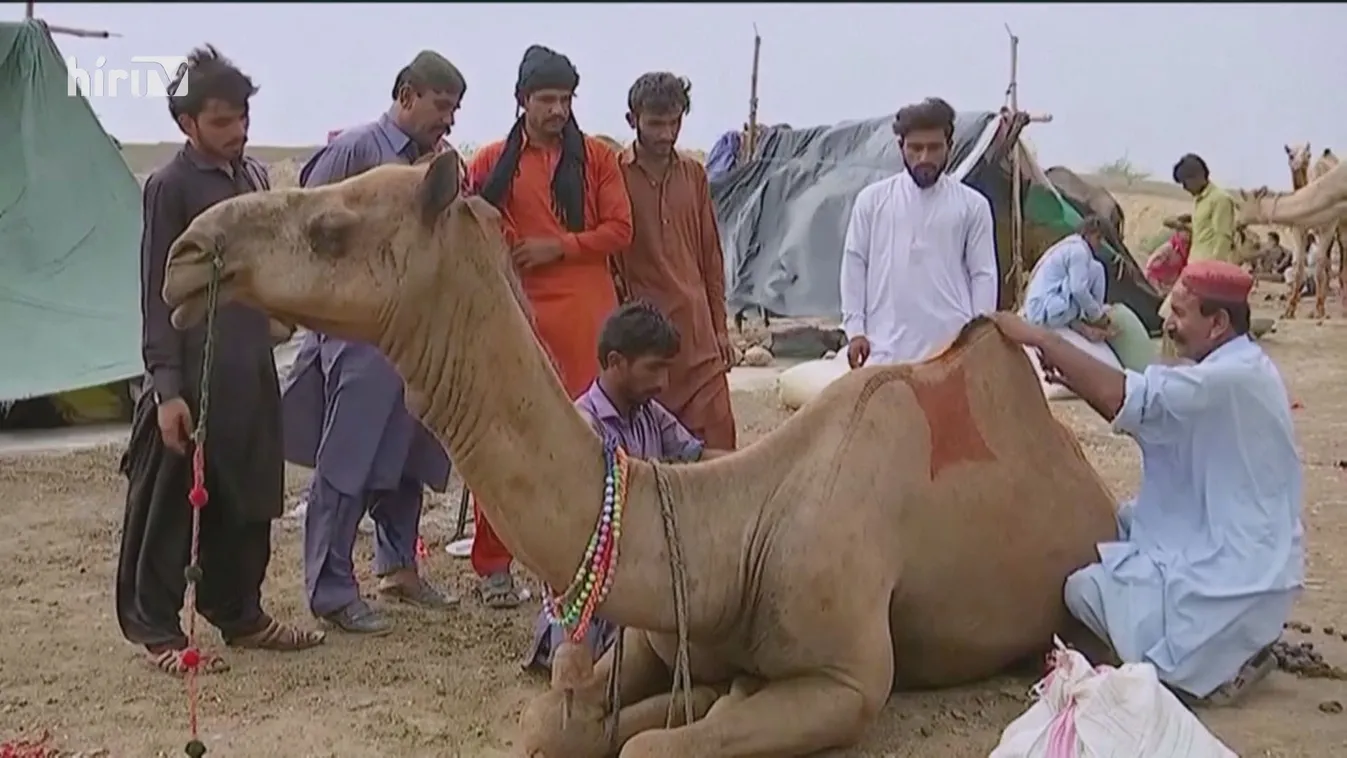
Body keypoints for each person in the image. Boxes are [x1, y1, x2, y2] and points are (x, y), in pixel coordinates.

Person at [992, 259, 1302, 706]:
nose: (1166, 322)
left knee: (1086, 590)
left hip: (1237, 570)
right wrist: (1075, 373)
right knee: (1116, 527)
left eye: (1179, 312)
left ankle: (1210, 668)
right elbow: (1149, 419)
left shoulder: (1230, 378)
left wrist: (1041, 337)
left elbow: (1136, 399)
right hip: (1235, 545)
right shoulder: (1235, 366)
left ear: (1217, 323)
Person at [116, 45, 325, 676]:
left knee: (251, 496)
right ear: (187, 124)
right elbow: (157, 288)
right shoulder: (169, 186)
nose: (236, 132)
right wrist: (168, 389)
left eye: (242, 118)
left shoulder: (255, 179)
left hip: (249, 364)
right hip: (191, 370)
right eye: (221, 121)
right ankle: (157, 631)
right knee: (171, 507)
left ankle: (241, 614)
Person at [281, 51, 465, 635]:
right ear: (407, 95)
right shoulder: (357, 151)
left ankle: (399, 567)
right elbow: (304, 228)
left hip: (412, 338)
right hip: (360, 335)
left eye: (456, 110)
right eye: (442, 106)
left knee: (411, 456)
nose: (449, 121)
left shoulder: (432, 164)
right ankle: (331, 589)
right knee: (348, 460)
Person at [466, 45, 634, 609]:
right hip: (515, 314)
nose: (558, 110)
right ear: (522, 101)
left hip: (587, 312)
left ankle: (586, 556)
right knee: (507, 434)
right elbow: (471, 228)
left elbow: (619, 230)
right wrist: (515, 249)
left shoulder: (598, 160)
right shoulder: (490, 161)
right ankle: (493, 564)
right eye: (547, 100)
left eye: (566, 100)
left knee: (588, 436)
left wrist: (558, 247)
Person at [524, 301, 728, 671]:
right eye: (654, 369)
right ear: (616, 362)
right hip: (598, 583)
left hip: (643, 568)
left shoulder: (649, 411)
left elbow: (696, 459)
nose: (663, 382)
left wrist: (751, 469)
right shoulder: (582, 426)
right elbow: (578, 535)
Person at [616, 72, 737, 450]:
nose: (667, 134)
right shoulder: (614, 176)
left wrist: (720, 328)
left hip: (699, 339)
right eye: (656, 123)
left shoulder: (694, 175)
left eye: (675, 123)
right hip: (647, 340)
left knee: (719, 454)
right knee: (655, 458)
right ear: (632, 119)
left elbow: (710, 258)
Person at [840, 97, 999, 369]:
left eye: (934, 148)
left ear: (950, 146)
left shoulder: (972, 206)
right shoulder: (872, 201)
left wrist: (978, 341)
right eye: (915, 148)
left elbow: (983, 274)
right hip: (884, 351)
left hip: (950, 352)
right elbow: (855, 264)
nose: (924, 157)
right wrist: (856, 331)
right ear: (900, 147)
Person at [1023, 216, 1154, 371]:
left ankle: (1085, 324)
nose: (1099, 245)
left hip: (1042, 306)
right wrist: (1097, 316)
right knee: (1092, 275)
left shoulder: (1071, 247)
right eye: (1099, 239)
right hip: (1043, 311)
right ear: (1091, 234)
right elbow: (1078, 289)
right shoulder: (1079, 251)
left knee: (1096, 268)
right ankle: (1089, 322)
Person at [1173, 153, 1237, 265]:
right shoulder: (1199, 200)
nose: (1184, 187)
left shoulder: (1220, 199)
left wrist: (1214, 267)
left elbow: (1223, 238)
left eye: (1185, 182)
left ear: (1198, 176)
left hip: (1208, 269)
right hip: (1194, 265)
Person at [1142, 215, 1192, 294]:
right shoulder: (1168, 249)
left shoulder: (1188, 250)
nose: (1188, 235)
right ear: (1178, 231)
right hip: (1158, 288)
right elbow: (1150, 269)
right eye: (1185, 231)